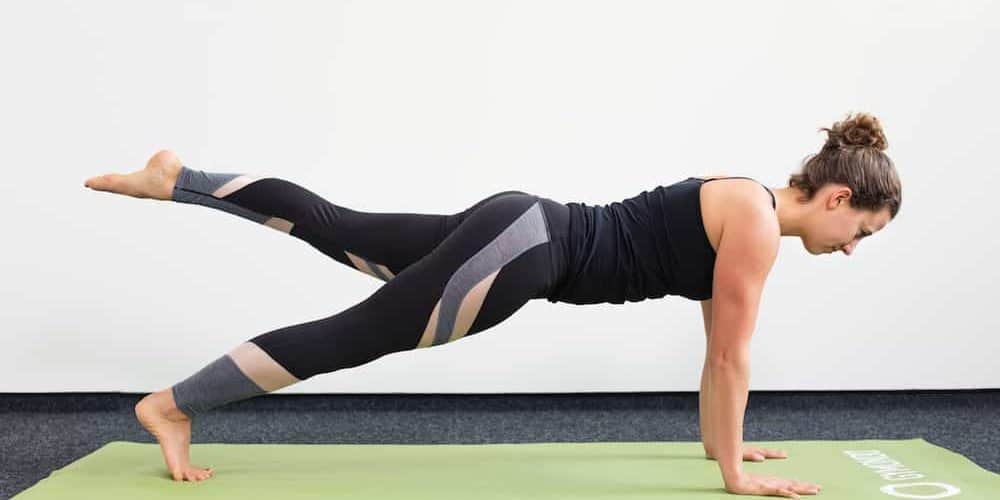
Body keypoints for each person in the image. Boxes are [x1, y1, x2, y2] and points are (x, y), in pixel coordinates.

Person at [83, 111, 899, 498]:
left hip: (521, 224)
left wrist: (728, 441)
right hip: (524, 254)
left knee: (344, 230)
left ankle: (177, 179)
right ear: (833, 197)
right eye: (860, 229)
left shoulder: (747, 201)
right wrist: (730, 472)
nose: (853, 249)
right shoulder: (757, 228)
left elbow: (714, 340)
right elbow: (728, 354)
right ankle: (172, 404)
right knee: (357, 333)